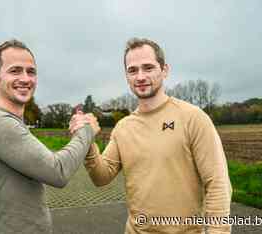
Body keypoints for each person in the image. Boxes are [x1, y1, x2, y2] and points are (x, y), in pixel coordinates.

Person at [71, 38, 232, 233]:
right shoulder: (123, 127)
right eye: (133, 70)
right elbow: (101, 177)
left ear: (164, 70)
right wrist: (88, 142)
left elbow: (218, 183)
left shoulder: (192, 117)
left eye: (148, 68)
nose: (140, 76)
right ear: (126, 76)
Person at [0, 39, 100, 234]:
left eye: (31, 71)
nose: (26, 78)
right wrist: (86, 130)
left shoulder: (10, 123)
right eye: (15, 71)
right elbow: (58, 171)